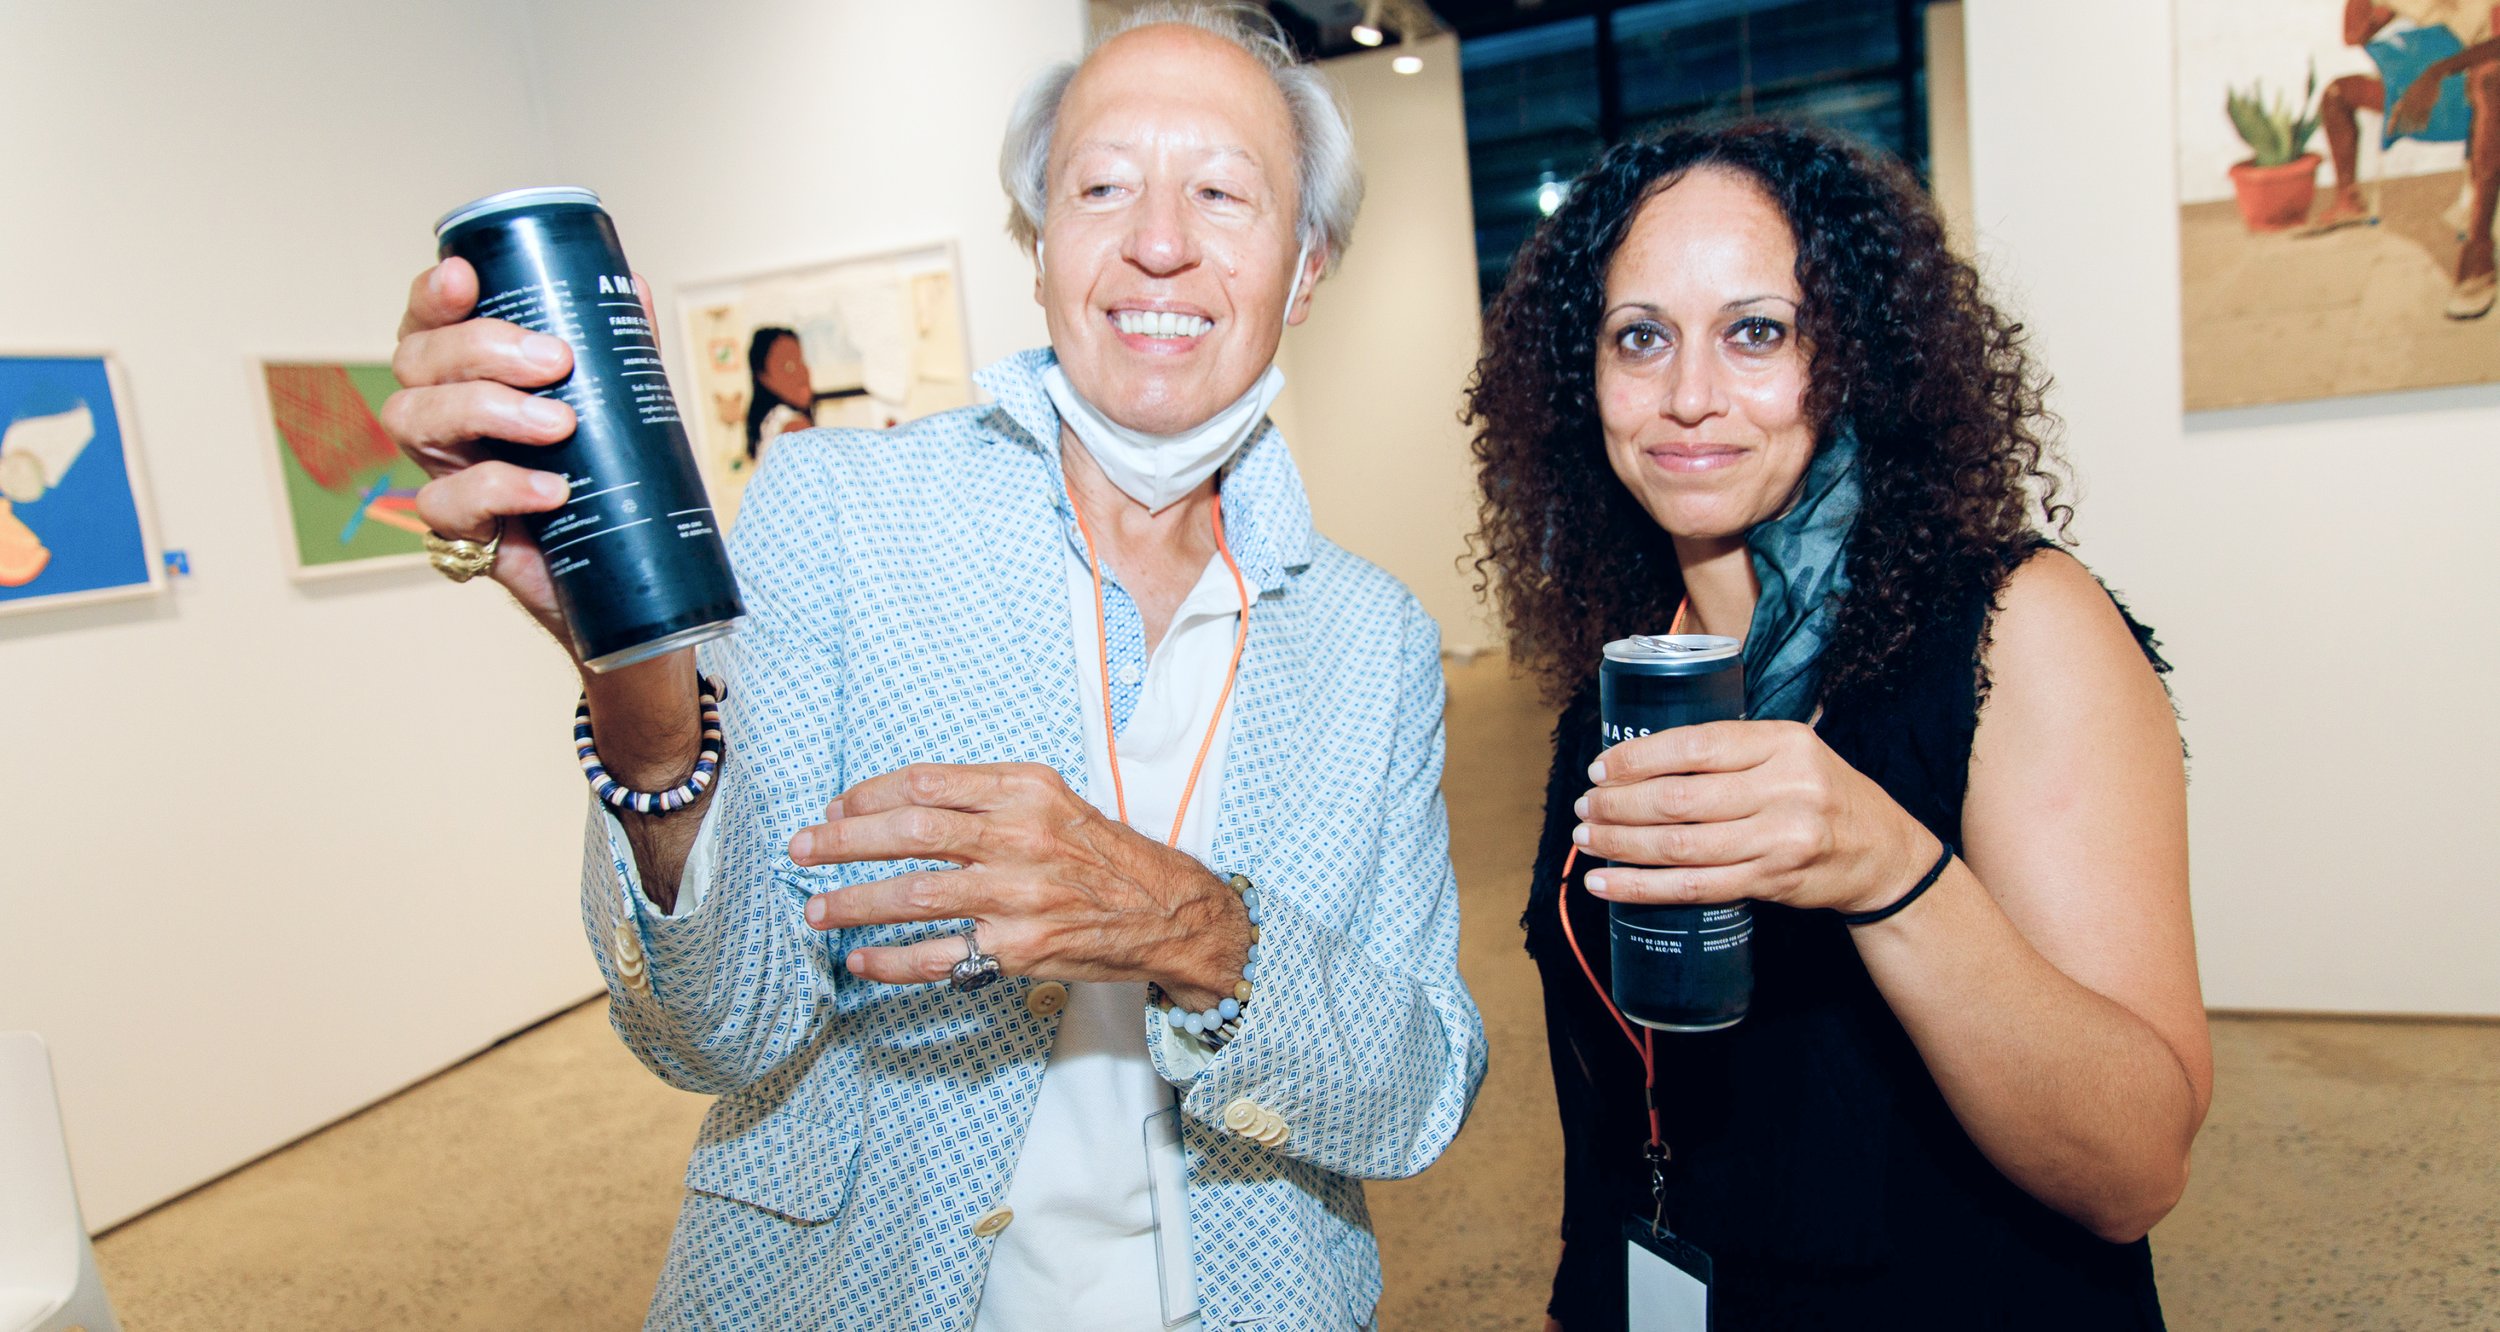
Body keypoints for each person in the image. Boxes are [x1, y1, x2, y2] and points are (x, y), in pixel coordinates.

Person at [381, 7, 1484, 1328]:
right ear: (1039, 249)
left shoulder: (1375, 642)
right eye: (1101, 186)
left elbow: (1421, 1089)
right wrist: (647, 711)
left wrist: (1199, 931)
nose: (1158, 241)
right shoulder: (839, 515)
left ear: (1304, 270)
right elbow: (710, 1032)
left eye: (1222, 193)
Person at [1465, 122, 2208, 1329]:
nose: (1688, 396)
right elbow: (1609, 1128)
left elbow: (2132, 1170)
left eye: (1756, 331)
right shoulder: (1618, 692)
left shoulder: (2017, 632)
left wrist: (1885, 867)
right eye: (1639, 337)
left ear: (1857, 355)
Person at [2308, 0, 2500, 318]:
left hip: (2483, 83)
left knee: (2491, 79)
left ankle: (2479, 252)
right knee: (2337, 94)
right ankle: (2348, 202)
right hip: (2443, 90)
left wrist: (2435, 73)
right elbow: (2355, 34)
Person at [741, 325, 813, 462]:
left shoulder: (769, 422)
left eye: (801, 361)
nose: (802, 373)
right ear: (764, 378)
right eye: (789, 366)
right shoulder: (794, 426)